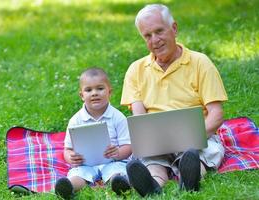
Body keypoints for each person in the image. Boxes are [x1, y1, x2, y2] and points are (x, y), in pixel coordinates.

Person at [120, 4, 228, 197]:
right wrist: (150, 141)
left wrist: (193, 138)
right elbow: (140, 119)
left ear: (174, 29)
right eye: (147, 35)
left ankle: (190, 179)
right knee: (151, 160)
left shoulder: (200, 62)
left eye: (159, 31)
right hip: (157, 139)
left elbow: (216, 114)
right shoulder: (135, 70)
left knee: (197, 155)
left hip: (197, 136)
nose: (155, 40)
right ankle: (153, 185)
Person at [55, 67, 132, 199]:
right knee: (78, 174)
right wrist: (71, 157)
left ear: (109, 92)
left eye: (100, 88)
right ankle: (68, 187)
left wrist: (119, 153)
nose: (94, 93)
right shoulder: (76, 120)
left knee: (117, 172)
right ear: (82, 95)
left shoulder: (118, 118)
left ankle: (118, 184)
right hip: (85, 163)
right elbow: (67, 149)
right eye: (88, 90)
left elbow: (129, 146)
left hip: (113, 161)